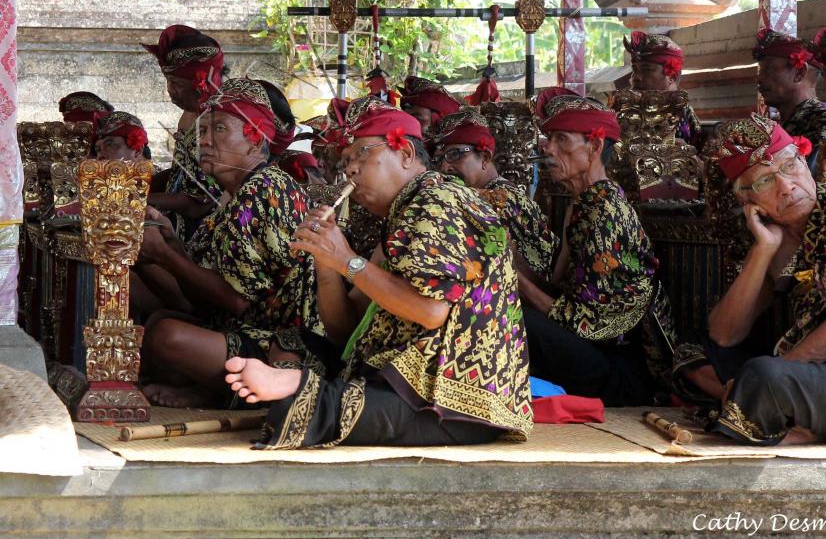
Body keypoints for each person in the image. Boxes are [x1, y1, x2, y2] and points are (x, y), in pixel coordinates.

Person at [224, 96, 532, 448]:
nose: (350, 169)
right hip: (404, 375)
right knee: (295, 341)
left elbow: (431, 311)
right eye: (345, 162)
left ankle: (293, 386)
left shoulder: (439, 200)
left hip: (451, 400)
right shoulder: (404, 215)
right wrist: (326, 263)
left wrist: (347, 261)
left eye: (362, 154)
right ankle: (297, 385)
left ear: (405, 155)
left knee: (321, 408)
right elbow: (345, 331)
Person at [702, 113, 826, 445]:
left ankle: (769, 407)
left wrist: (783, 370)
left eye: (789, 166)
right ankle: (777, 410)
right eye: (764, 182)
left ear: (804, 160)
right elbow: (724, 335)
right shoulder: (780, 238)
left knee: (764, 376)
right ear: (746, 200)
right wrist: (765, 248)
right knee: (699, 346)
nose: (786, 186)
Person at [138, 78, 325, 407]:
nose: (204, 141)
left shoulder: (266, 188)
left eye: (219, 129)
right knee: (155, 323)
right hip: (243, 328)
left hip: (284, 344)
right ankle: (211, 388)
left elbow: (236, 301)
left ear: (255, 139)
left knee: (167, 336)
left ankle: (221, 395)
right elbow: (204, 289)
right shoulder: (235, 197)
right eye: (203, 132)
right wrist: (170, 240)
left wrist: (165, 256)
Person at [517, 89, 676, 406]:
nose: (547, 148)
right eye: (548, 138)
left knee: (517, 318)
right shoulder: (582, 205)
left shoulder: (606, 213)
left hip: (622, 372)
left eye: (561, 139)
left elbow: (586, 322)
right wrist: (509, 258)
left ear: (595, 146)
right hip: (595, 350)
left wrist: (513, 279)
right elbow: (559, 288)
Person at [427, 108, 557, 278]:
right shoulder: (476, 194)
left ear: (485, 157)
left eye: (454, 154)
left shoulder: (502, 200)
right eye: (440, 159)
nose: (445, 167)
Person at [142, 25, 226, 234]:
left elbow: (202, 200)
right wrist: (136, 185)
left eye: (176, 83)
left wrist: (142, 198)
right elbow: (182, 173)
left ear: (201, 83)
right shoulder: (188, 115)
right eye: (169, 82)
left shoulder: (223, 122)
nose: (171, 91)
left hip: (208, 230)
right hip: (174, 223)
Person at [752, 28, 826, 157]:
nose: (759, 78)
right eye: (760, 71)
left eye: (768, 69)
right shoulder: (787, 122)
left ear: (799, 72)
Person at [623, 31, 704, 148]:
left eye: (647, 69)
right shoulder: (623, 111)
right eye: (635, 69)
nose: (636, 77)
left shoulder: (685, 115)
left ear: (672, 76)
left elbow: (700, 159)